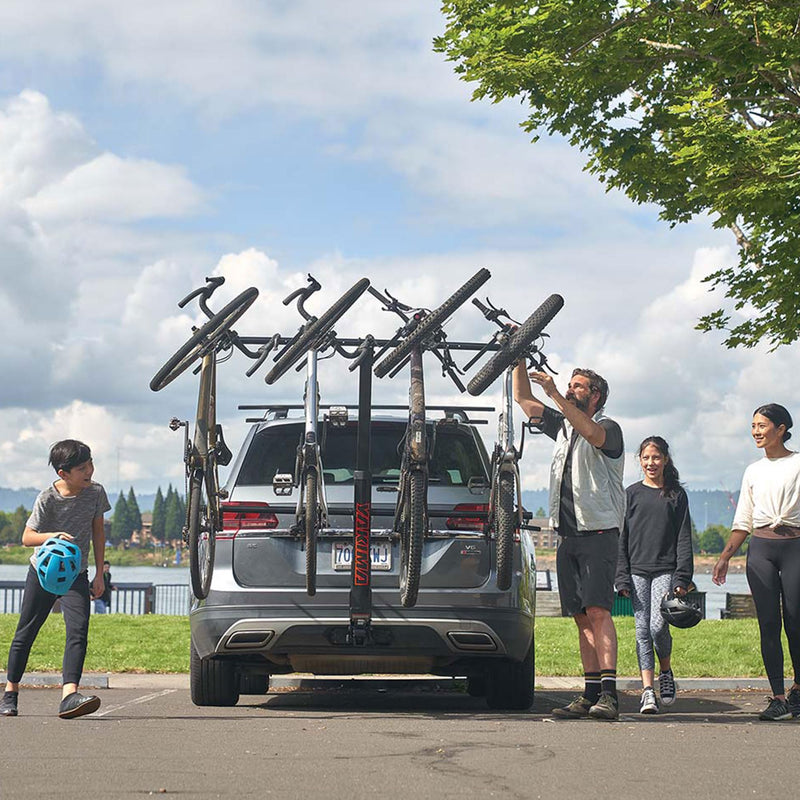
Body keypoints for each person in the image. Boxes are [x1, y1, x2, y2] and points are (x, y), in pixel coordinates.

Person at [514, 364, 625, 720]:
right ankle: (590, 693)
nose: (570, 388)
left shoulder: (609, 428)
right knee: (580, 617)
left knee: (598, 612)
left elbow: (591, 432)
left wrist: (556, 396)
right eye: (569, 385)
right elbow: (523, 399)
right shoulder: (563, 427)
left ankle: (610, 695)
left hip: (599, 533)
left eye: (578, 387)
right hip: (568, 534)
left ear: (595, 396)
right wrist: (519, 354)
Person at [0, 440, 110, 719]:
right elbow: (26, 537)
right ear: (64, 473)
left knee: (78, 630)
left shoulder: (96, 492)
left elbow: (98, 532)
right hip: (44, 572)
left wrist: (99, 573)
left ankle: (69, 696)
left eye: (90, 464)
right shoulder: (47, 498)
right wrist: (53, 535)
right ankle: (10, 693)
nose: (90, 471)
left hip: (75, 573)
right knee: (26, 631)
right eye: (82, 468)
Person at [712, 403, 800, 722]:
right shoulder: (753, 470)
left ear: (781, 429)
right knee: (768, 624)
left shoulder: (798, 463)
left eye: (762, 426)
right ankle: (778, 697)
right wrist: (724, 557)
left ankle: (798, 691)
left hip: (795, 547)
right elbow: (743, 519)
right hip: (761, 549)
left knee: (795, 622)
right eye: (753, 426)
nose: (756, 432)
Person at [616, 436, 694, 714]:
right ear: (640, 460)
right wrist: (621, 576)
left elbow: (684, 538)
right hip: (636, 571)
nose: (651, 463)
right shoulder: (630, 494)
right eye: (646, 458)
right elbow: (621, 539)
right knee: (641, 630)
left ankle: (666, 672)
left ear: (666, 460)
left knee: (658, 627)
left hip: (665, 570)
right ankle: (648, 691)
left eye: (656, 457)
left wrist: (681, 579)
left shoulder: (676, 495)